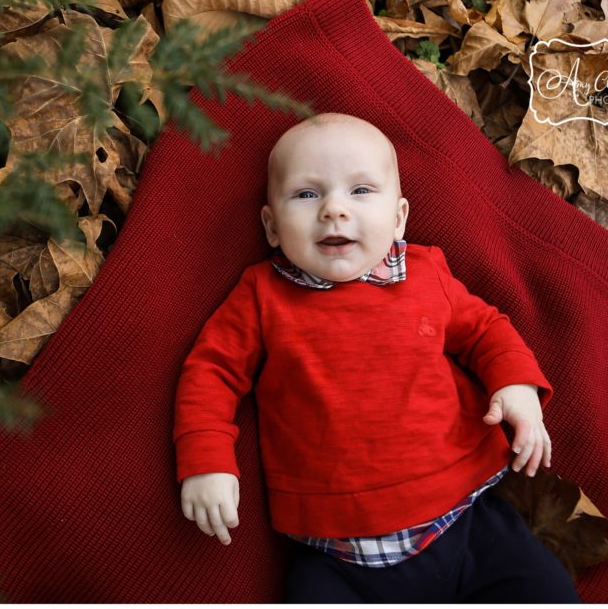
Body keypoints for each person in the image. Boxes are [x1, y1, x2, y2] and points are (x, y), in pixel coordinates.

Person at [172, 112, 581, 602]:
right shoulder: (261, 296)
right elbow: (211, 372)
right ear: (272, 226)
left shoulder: (426, 274)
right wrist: (206, 461)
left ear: (399, 218)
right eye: (307, 194)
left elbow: (486, 329)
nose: (334, 210)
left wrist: (515, 386)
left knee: (546, 591)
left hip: (466, 520)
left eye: (361, 191)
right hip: (337, 555)